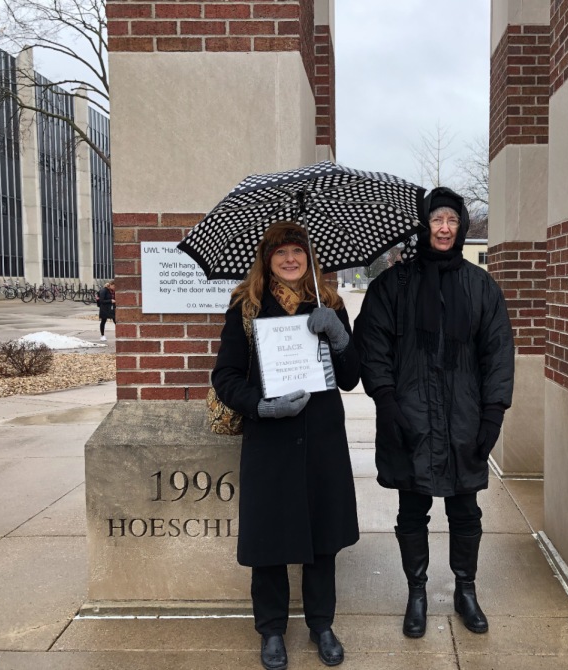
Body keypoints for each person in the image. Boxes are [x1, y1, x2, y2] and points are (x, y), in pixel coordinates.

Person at [354, 187, 514, 638]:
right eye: (436, 220)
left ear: (461, 227)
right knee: (412, 510)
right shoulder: (394, 285)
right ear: (423, 225)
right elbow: (374, 348)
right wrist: (386, 401)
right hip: (410, 420)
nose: (443, 229)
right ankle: (417, 592)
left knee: (466, 511)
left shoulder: (481, 286)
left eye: (452, 221)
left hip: (464, 421)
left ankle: (466, 590)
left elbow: (498, 353)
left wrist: (493, 415)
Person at [212, 221, 360, 670]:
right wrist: (262, 405)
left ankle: (321, 624)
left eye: (298, 251)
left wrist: (338, 335)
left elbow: (352, 377)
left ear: (309, 257)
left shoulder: (329, 303)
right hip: (271, 439)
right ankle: (272, 630)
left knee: (322, 540)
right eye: (281, 253)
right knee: (270, 539)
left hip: (322, 441)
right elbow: (226, 377)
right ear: (267, 259)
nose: (291, 259)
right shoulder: (246, 307)